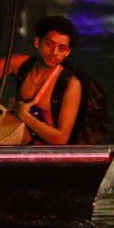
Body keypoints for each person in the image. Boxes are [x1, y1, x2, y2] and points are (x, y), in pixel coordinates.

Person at [12, 16, 82, 145]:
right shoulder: (21, 66)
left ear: (67, 52)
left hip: (46, 157)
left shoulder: (71, 84)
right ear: (38, 42)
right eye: (49, 44)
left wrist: (23, 115)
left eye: (61, 48)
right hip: (19, 150)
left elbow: (61, 139)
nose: (54, 52)